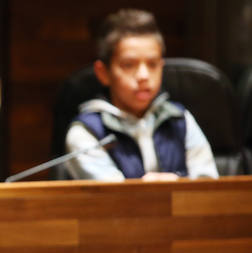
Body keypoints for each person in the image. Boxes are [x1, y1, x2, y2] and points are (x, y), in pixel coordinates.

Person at [64, 8, 218, 181]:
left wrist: (176, 184)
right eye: (128, 65)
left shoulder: (181, 119)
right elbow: (112, 200)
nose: (143, 76)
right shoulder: (86, 133)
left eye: (152, 64)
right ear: (103, 73)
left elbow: (208, 189)